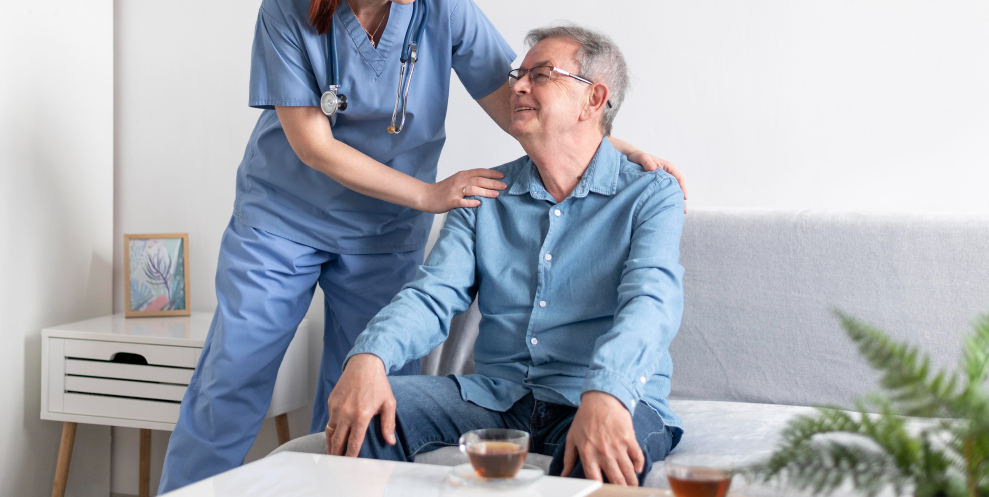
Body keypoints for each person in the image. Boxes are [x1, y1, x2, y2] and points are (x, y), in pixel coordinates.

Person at [159, 0, 686, 493]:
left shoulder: (439, 0)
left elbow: (515, 96)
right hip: (286, 220)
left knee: (359, 399)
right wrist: (432, 195)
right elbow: (312, 143)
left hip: (383, 233)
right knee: (232, 379)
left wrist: (614, 148)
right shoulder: (290, 1)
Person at [278, 24, 686, 487]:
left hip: (609, 395)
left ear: (593, 100)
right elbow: (432, 295)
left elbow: (651, 301)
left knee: (595, 460)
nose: (519, 85)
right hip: (497, 396)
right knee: (372, 413)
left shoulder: (651, 193)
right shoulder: (485, 193)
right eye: (519, 73)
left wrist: (608, 390)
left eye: (541, 74)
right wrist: (369, 356)